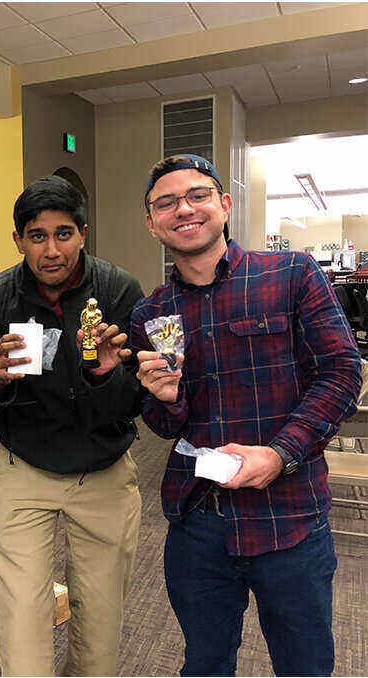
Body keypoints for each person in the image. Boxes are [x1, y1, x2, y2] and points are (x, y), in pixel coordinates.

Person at [131, 154, 362, 676]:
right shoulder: (152, 313)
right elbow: (164, 426)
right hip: (199, 525)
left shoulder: (291, 275)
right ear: (151, 222)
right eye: (165, 203)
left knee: (304, 666)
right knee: (205, 664)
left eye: (197, 195)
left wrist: (280, 453)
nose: (183, 209)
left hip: (291, 520)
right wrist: (165, 398)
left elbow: (343, 373)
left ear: (225, 204)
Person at [0, 176, 144, 676]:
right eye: (36, 236)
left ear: (83, 233)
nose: (51, 249)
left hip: (103, 472)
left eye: (63, 234)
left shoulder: (119, 290)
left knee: (100, 629)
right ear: (18, 240)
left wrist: (104, 375)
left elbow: (139, 401)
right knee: (21, 622)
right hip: (25, 472)